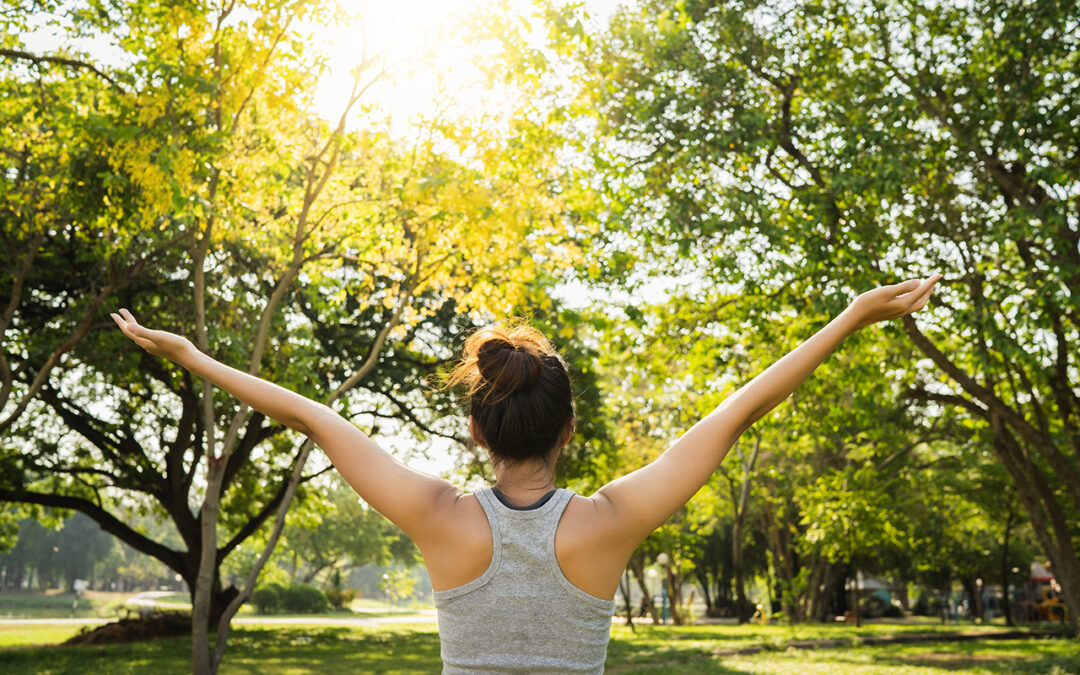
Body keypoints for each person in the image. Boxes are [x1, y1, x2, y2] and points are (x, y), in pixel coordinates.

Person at [111, 274, 941, 673]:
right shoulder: (609, 521)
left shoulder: (438, 516)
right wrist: (854, 313)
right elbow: (737, 413)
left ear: (474, 431)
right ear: (570, 429)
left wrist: (191, 354)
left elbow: (312, 416)